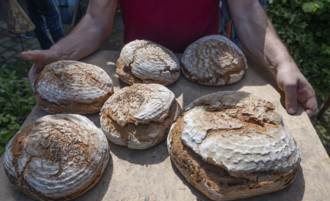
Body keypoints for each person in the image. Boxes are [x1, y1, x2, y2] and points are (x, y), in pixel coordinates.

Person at [21, 0, 317, 117]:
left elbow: (248, 12)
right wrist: (58, 54)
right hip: (138, 83)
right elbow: (97, 22)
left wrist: (283, 63)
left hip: (210, 79)